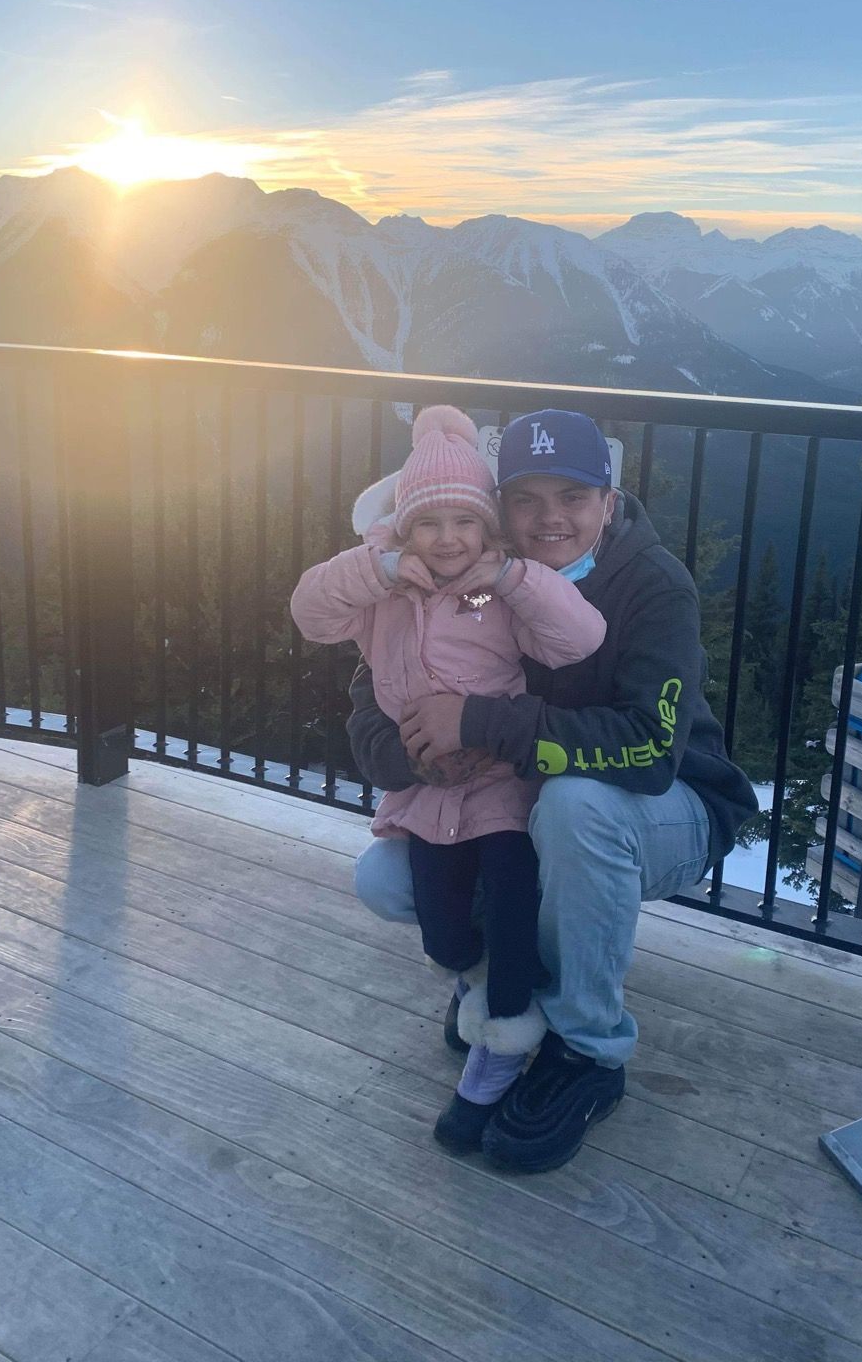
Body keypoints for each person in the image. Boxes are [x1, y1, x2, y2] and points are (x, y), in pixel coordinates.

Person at [349, 408, 758, 1173]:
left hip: (672, 805)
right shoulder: (455, 570)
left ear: (609, 501)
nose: (549, 519)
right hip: (521, 802)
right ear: (496, 505)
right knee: (385, 873)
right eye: (526, 499)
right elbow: (369, 702)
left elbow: (649, 751)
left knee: (575, 808)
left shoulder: (651, 584)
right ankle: (504, 986)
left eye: (573, 497)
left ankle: (587, 1052)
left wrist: (482, 721)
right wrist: (416, 757)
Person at [290, 405, 606, 1150]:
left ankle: (500, 1047)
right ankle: (477, 984)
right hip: (427, 796)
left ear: (487, 529)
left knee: (508, 904)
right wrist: (377, 569)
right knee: (442, 928)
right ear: (402, 532)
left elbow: (578, 639)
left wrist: (516, 575)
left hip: (499, 786)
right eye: (429, 524)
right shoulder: (381, 596)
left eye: (466, 522)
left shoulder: (503, 592)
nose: (449, 540)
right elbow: (310, 612)